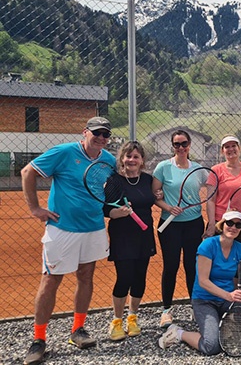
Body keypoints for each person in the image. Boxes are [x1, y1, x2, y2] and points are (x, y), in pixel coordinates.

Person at [21, 116, 115, 364]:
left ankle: (78, 330)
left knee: (86, 276)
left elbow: (114, 187)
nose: (101, 138)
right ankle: (39, 340)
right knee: (51, 280)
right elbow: (28, 172)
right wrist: (35, 208)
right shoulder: (63, 152)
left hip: (93, 228)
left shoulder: (108, 160)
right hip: (62, 229)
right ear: (85, 132)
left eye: (106, 135)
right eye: (97, 133)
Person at [158, 210, 241, 354]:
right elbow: (203, 281)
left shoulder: (240, 249)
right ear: (222, 225)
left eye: (238, 225)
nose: (233, 228)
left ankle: (221, 324)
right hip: (205, 300)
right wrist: (228, 296)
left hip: (226, 299)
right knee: (211, 347)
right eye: (229, 223)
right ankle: (179, 333)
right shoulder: (208, 245)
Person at [153, 130, 211, 328]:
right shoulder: (163, 167)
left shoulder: (198, 169)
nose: (180, 147)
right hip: (169, 225)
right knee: (170, 267)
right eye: (176, 144)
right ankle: (167, 310)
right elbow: (154, 194)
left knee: (191, 267)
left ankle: (195, 307)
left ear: (189, 144)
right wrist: (168, 207)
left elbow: (212, 187)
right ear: (172, 146)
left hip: (194, 224)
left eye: (184, 143)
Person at [105, 141, 157, 341]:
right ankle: (117, 320)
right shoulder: (114, 181)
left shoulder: (147, 180)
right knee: (124, 277)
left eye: (136, 156)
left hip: (144, 236)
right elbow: (106, 210)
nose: (132, 160)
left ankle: (132, 317)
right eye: (128, 156)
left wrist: (158, 194)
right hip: (122, 236)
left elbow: (153, 197)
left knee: (139, 277)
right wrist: (118, 212)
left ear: (142, 160)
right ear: (122, 159)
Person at [206, 135, 241, 258]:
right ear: (222, 151)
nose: (231, 149)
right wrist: (212, 225)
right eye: (227, 147)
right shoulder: (216, 170)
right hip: (222, 222)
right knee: (219, 261)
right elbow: (210, 200)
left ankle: (239, 279)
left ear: (239, 148)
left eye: (233, 146)